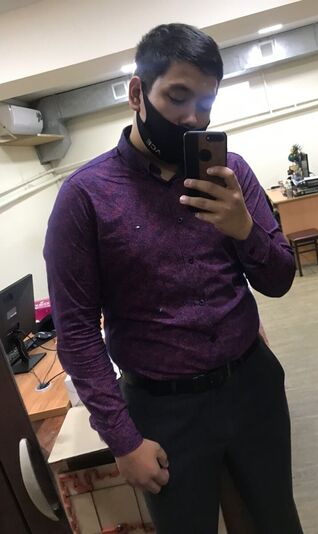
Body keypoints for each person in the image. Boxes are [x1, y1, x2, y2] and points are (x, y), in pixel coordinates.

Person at [44, 23, 303, 534]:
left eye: (205, 103)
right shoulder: (85, 197)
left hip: (253, 386)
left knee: (277, 520)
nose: (192, 118)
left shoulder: (232, 174)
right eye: (177, 97)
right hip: (162, 410)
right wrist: (123, 440)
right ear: (137, 93)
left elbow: (279, 280)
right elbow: (75, 332)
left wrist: (244, 229)